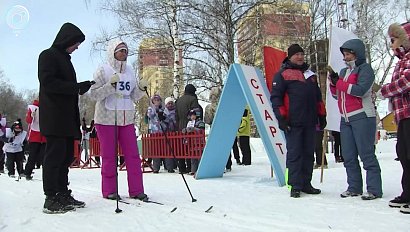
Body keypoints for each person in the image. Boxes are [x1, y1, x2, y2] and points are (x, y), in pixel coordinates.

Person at [38, 22, 92, 214]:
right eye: (76, 43)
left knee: (66, 157)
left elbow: (67, 87)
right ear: (67, 39)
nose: (77, 47)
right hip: (54, 117)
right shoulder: (48, 55)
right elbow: (49, 83)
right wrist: (76, 87)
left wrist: (79, 87)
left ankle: (62, 192)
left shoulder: (66, 59)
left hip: (68, 119)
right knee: (54, 157)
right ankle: (50, 197)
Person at [89, 38, 148, 202]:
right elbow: (93, 94)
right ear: (112, 52)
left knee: (133, 156)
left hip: (126, 118)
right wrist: (110, 86)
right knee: (109, 156)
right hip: (106, 118)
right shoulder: (103, 70)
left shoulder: (129, 70)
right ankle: (109, 190)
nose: (124, 53)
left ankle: (136, 190)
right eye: (121, 50)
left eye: (126, 51)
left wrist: (141, 90)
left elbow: (133, 96)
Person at [270, 44, 327, 198]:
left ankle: (306, 183)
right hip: (293, 122)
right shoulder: (282, 74)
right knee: (295, 154)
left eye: (302, 54)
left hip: (310, 121)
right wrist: (281, 118)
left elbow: (318, 97)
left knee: (309, 153)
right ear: (290, 56)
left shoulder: (311, 75)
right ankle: (295, 185)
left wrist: (322, 115)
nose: (300, 57)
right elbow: (276, 98)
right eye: (297, 54)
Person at [329, 38, 382, 200]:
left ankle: (374, 189)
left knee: (366, 154)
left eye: (348, 54)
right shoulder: (344, 72)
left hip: (362, 116)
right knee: (349, 155)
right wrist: (333, 84)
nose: (345, 58)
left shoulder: (365, 70)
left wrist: (339, 84)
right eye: (344, 55)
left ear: (357, 54)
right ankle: (354, 187)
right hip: (345, 119)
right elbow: (337, 95)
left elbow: (359, 90)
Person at [377, 22, 410, 213]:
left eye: (394, 39)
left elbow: (406, 81)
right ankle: (407, 194)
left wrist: (385, 90)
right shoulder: (401, 60)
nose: (391, 43)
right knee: (404, 155)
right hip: (402, 115)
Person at [175, 84, 202, 174]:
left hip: (180, 126)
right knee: (191, 147)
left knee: (182, 147)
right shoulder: (193, 99)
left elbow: (176, 116)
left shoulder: (178, 100)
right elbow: (196, 113)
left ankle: (182, 167)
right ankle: (190, 167)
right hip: (190, 126)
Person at [24, 99, 47, 180]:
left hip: (44, 136)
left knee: (44, 156)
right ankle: (27, 172)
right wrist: (31, 116)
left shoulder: (48, 107)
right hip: (35, 136)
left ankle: (47, 175)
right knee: (33, 156)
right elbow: (28, 120)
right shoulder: (32, 108)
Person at [182, 108, 205, 175]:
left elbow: (201, 130)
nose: (192, 117)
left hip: (199, 143)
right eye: (191, 115)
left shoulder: (200, 122)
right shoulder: (190, 123)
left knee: (199, 156)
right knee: (193, 156)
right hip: (192, 143)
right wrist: (185, 130)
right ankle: (193, 170)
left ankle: (200, 169)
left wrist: (194, 129)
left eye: (193, 115)